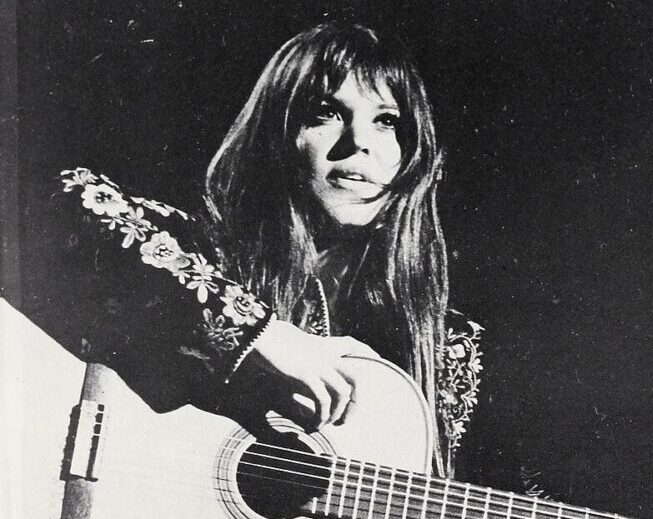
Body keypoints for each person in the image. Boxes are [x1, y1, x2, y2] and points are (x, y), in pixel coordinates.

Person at [27, 22, 483, 478]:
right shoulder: (199, 250)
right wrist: (263, 335)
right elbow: (51, 201)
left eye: (387, 121)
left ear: (412, 153)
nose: (359, 142)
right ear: (276, 134)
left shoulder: (446, 346)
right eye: (326, 113)